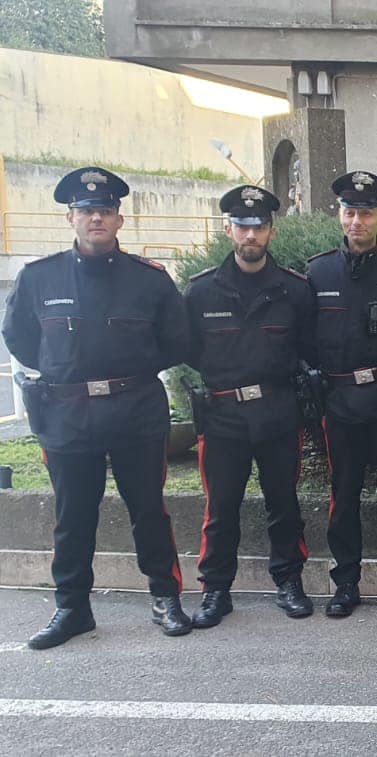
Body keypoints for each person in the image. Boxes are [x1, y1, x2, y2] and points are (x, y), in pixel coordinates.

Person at [2, 167, 192, 649]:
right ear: (70, 218)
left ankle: (166, 597)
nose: (96, 220)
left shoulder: (149, 280)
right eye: (86, 212)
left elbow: (176, 340)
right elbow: (20, 338)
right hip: (69, 415)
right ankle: (72, 609)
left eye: (105, 211)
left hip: (135, 412)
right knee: (72, 515)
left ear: (119, 221)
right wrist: (64, 371)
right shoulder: (39, 277)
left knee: (149, 510)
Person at [183, 185, 317, 628]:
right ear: (228, 230)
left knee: (284, 502)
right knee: (221, 507)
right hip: (223, 415)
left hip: (278, 410)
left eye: (258, 227)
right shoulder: (202, 292)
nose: (250, 235)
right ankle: (216, 590)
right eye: (242, 226)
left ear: (271, 232)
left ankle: (289, 581)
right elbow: (188, 349)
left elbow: (308, 347)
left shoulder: (294, 290)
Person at [304, 171, 377, 617]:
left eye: (366, 213)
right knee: (343, 495)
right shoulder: (317, 272)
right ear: (340, 215)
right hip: (340, 403)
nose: (357, 221)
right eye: (350, 212)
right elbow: (305, 339)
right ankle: (345, 582)